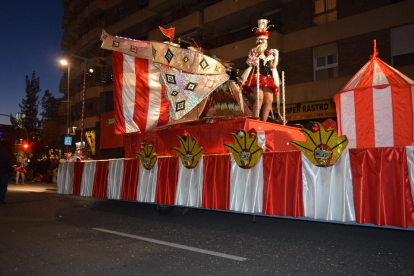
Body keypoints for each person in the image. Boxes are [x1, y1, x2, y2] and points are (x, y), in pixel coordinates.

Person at [242, 19, 280, 122]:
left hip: (267, 78)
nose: (265, 43)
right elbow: (249, 62)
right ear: (259, 41)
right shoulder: (254, 51)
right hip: (257, 77)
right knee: (260, 99)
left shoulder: (268, 53)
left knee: (269, 100)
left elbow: (273, 65)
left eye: (266, 41)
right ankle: (256, 119)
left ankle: (264, 121)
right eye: (263, 41)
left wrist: (276, 56)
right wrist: (256, 57)